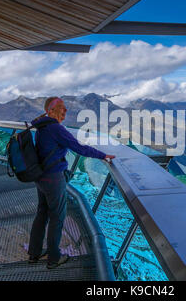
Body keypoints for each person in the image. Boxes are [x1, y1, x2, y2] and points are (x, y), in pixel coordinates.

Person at [28, 97, 115, 269]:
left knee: (42, 213)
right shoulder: (55, 128)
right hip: (53, 178)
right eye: (61, 107)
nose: (65, 111)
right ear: (50, 111)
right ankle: (54, 258)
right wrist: (102, 155)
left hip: (40, 177)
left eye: (65, 108)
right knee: (57, 217)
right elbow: (79, 148)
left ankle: (34, 253)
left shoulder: (41, 127)